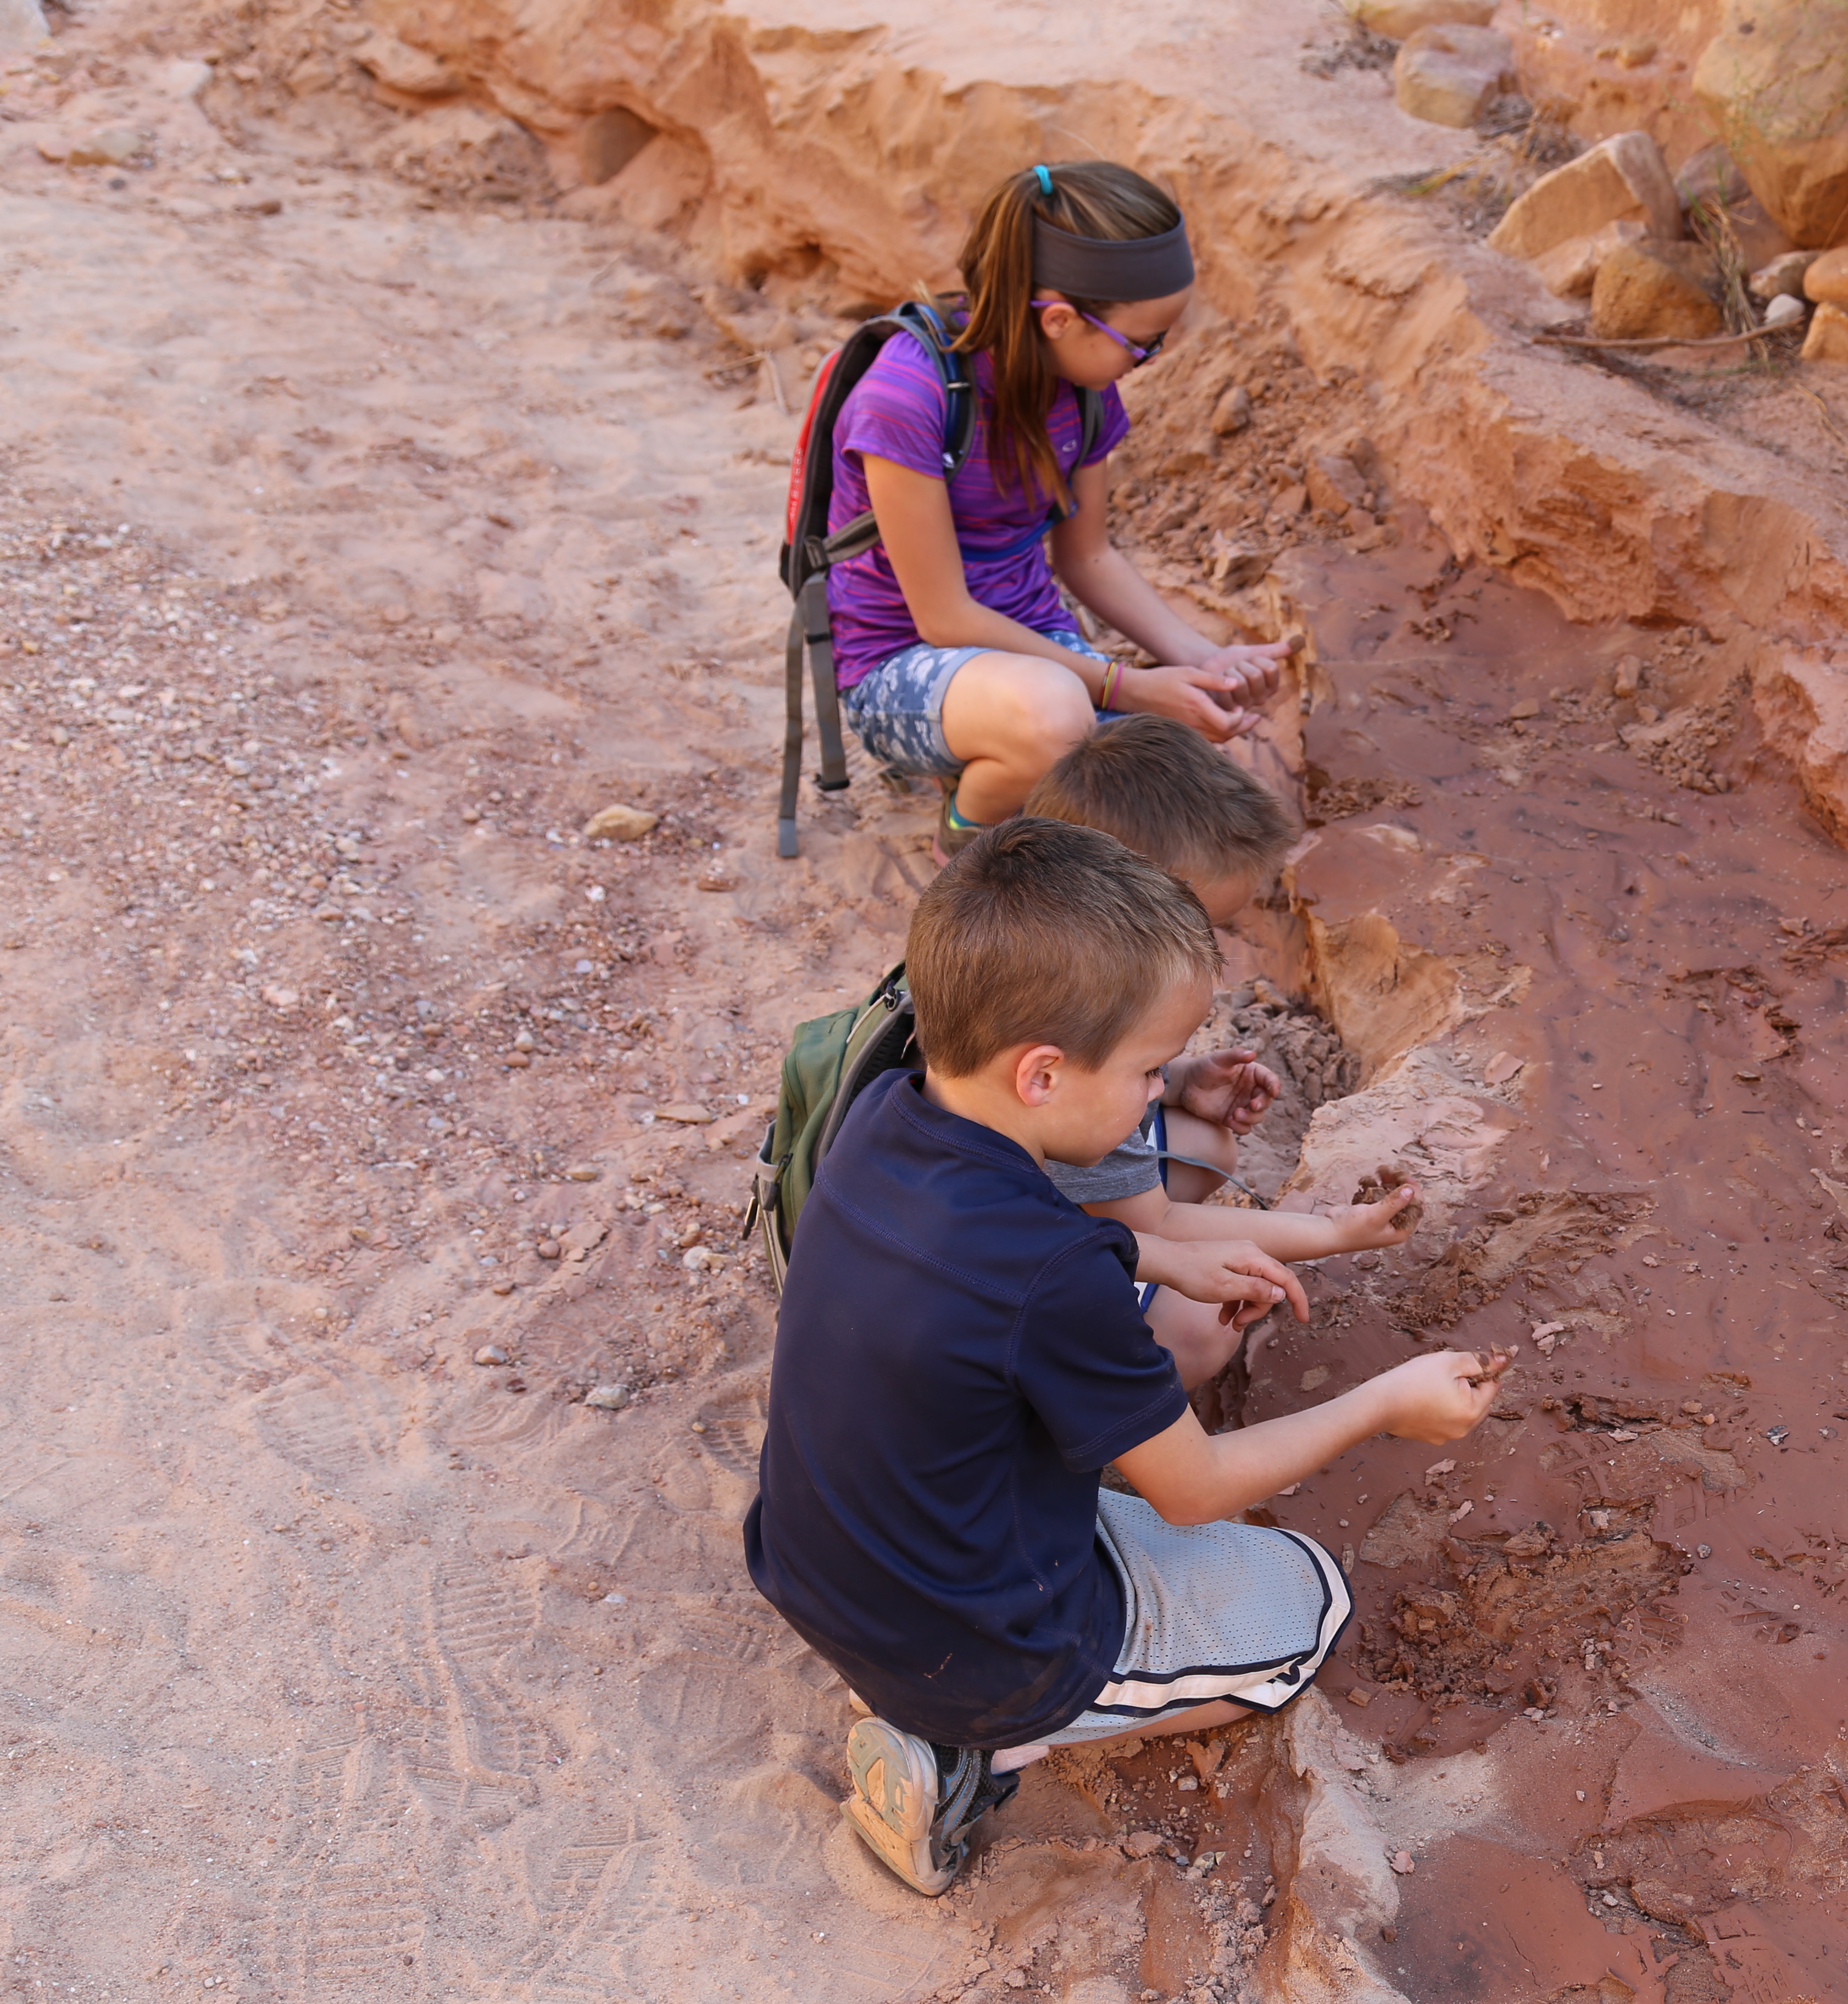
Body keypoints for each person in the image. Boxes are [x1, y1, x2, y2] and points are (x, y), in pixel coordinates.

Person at [743, 819, 1506, 1897]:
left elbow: (1002, 1259)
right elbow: (1193, 1489)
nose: (1158, 1096)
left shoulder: (886, 1109)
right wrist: (1387, 1401)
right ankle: (977, 1753)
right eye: (1149, 1072)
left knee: (1092, 1442)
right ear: (1043, 1075)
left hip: (810, 1563)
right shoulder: (1051, 1276)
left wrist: (1158, 1254)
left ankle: (937, 1689)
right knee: (1310, 1607)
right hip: (968, 1648)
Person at [826, 159, 1290, 853]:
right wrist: (1126, 687)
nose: (1157, 357)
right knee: (1057, 719)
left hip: (1033, 650)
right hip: (899, 666)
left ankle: (1015, 755)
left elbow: (1090, 557)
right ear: (1060, 320)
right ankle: (970, 832)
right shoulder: (907, 400)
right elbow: (945, 617)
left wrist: (1203, 658)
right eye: (1147, 342)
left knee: (1177, 784)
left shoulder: (1082, 390)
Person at [1024, 715, 1411, 1389]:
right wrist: (1329, 1232)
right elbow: (1163, 1226)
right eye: (1198, 925)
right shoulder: (1081, 1065)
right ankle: (1102, 1432)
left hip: (1024, 1197)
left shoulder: (1033, 952)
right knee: (1202, 1330)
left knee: (1208, 1144)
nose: (1219, 950)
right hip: (1007, 1282)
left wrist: (1177, 1082)